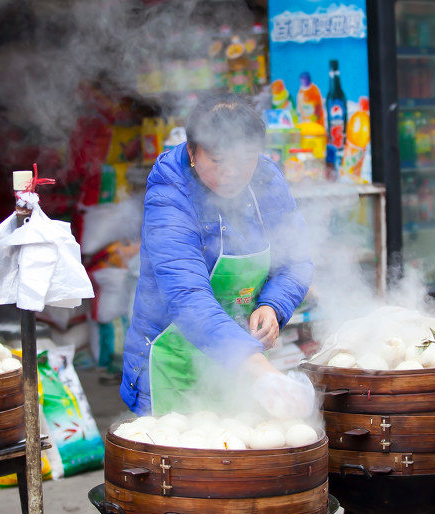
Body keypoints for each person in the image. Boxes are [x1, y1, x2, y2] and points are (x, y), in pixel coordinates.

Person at [121, 93, 315, 417]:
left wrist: (272, 305)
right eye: (219, 160)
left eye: (245, 159)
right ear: (193, 153)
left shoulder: (266, 178)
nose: (232, 173)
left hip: (241, 363)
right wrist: (262, 371)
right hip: (176, 366)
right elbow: (187, 297)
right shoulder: (170, 191)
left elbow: (296, 260)